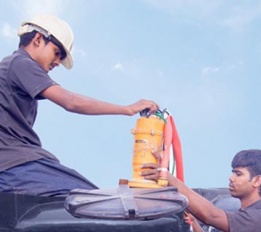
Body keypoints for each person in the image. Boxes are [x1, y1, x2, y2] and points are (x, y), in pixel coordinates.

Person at [0, 14, 159, 197]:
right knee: (93, 202)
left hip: (14, 166)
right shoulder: (20, 63)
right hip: (15, 166)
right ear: (38, 39)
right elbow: (71, 101)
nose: (57, 62)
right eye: (56, 53)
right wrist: (127, 109)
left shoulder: (12, 68)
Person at [141, 149, 261, 232]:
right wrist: (196, 226)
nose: (231, 178)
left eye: (238, 174)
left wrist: (169, 178)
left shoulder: (260, 219)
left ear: (256, 181)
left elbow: (211, 215)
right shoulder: (248, 216)